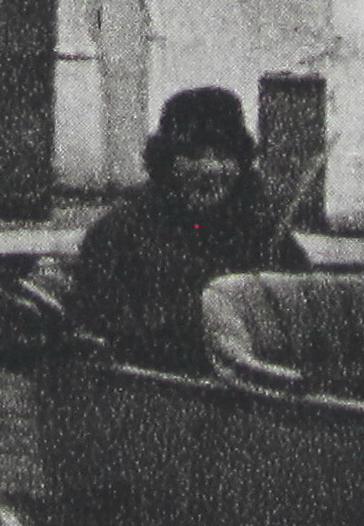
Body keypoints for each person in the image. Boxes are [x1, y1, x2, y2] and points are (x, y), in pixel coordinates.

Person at [66, 86, 310, 373]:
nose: (210, 169)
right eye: (193, 155)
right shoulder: (119, 233)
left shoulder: (263, 231)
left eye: (224, 155)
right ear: (166, 161)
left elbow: (301, 315)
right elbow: (108, 335)